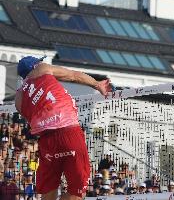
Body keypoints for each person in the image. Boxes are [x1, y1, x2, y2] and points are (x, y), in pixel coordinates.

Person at [15, 56, 113, 200]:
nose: (42, 63)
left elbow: (35, 111)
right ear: (35, 66)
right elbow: (73, 75)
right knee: (78, 191)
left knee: (49, 190)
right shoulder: (42, 69)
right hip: (68, 131)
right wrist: (97, 84)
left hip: (46, 141)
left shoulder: (18, 98)